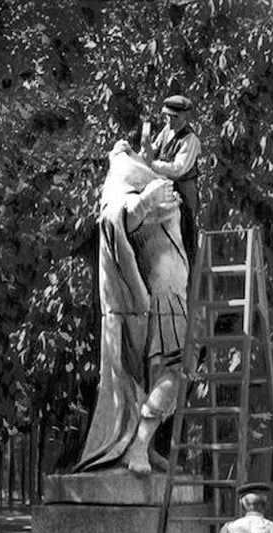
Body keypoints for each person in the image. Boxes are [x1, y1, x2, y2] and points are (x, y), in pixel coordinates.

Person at [74, 141, 188, 474]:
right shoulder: (126, 173)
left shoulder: (150, 177)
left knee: (165, 377)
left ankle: (144, 447)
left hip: (173, 296)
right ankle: (138, 447)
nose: (148, 148)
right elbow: (116, 217)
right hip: (167, 298)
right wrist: (146, 199)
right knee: (175, 373)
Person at [142, 94, 201, 267]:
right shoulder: (166, 130)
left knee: (185, 229)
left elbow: (178, 169)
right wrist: (143, 154)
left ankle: (189, 266)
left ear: (184, 116)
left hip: (183, 188)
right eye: (168, 116)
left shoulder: (190, 139)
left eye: (174, 117)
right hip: (165, 186)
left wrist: (152, 164)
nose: (170, 120)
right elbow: (153, 148)